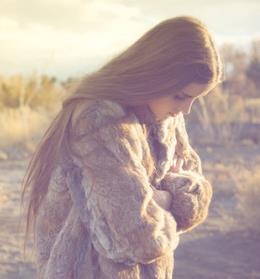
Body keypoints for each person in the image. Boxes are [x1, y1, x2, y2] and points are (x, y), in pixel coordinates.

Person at [21, 15, 223, 279]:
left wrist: (159, 199)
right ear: (156, 75)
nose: (186, 110)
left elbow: (196, 187)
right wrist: (171, 198)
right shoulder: (97, 120)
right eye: (181, 96)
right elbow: (138, 236)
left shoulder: (165, 118)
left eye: (195, 99)